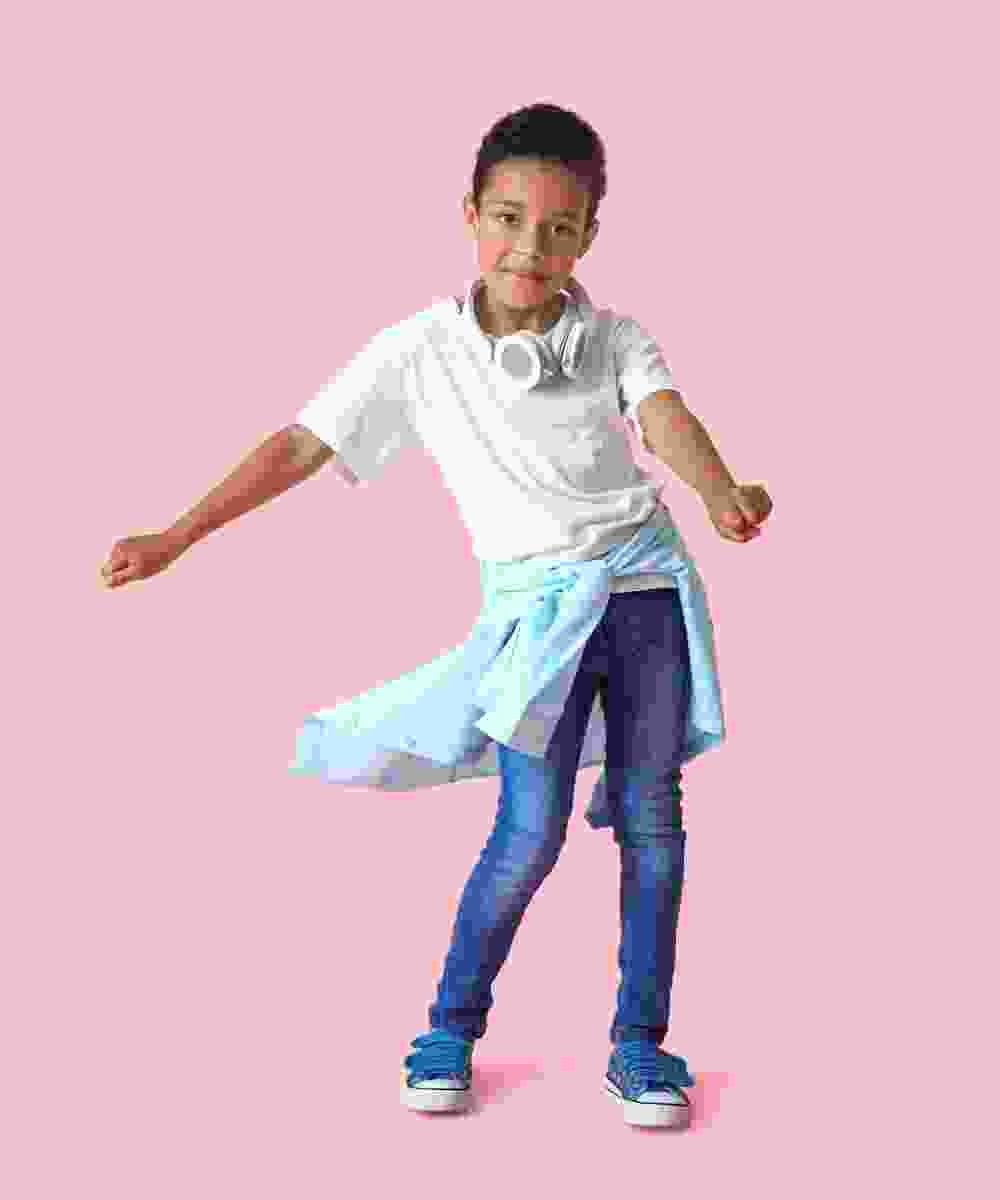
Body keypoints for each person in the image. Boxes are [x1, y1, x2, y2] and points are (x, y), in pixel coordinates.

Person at [99, 102, 773, 1129]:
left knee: (654, 825)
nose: (530, 247)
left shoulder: (616, 339)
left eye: (559, 228)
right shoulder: (417, 350)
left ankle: (641, 1047)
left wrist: (720, 493)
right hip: (535, 619)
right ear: (468, 215)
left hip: (644, 596)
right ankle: (450, 1029)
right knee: (528, 831)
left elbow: (664, 417)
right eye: (508, 219)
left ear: (589, 237)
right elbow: (299, 444)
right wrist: (176, 535)